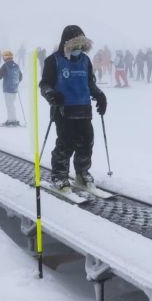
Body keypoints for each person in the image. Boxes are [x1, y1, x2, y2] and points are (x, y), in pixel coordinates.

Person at [39, 25, 107, 190]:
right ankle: (59, 176)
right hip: (63, 111)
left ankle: (82, 173)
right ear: (66, 44)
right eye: (75, 46)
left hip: (84, 109)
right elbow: (44, 84)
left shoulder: (85, 60)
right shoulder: (53, 60)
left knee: (87, 142)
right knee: (65, 144)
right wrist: (52, 94)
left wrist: (99, 95)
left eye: (81, 46)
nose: (78, 49)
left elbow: (89, 82)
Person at [0, 50, 23, 125]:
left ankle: (11, 121)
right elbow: (20, 77)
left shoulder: (5, 66)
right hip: (14, 89)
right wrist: (15, 83)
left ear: (5, 57)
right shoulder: (16, 65)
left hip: (8, 89)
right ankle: (13, 119)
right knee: (12, 104)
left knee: (9, 105)